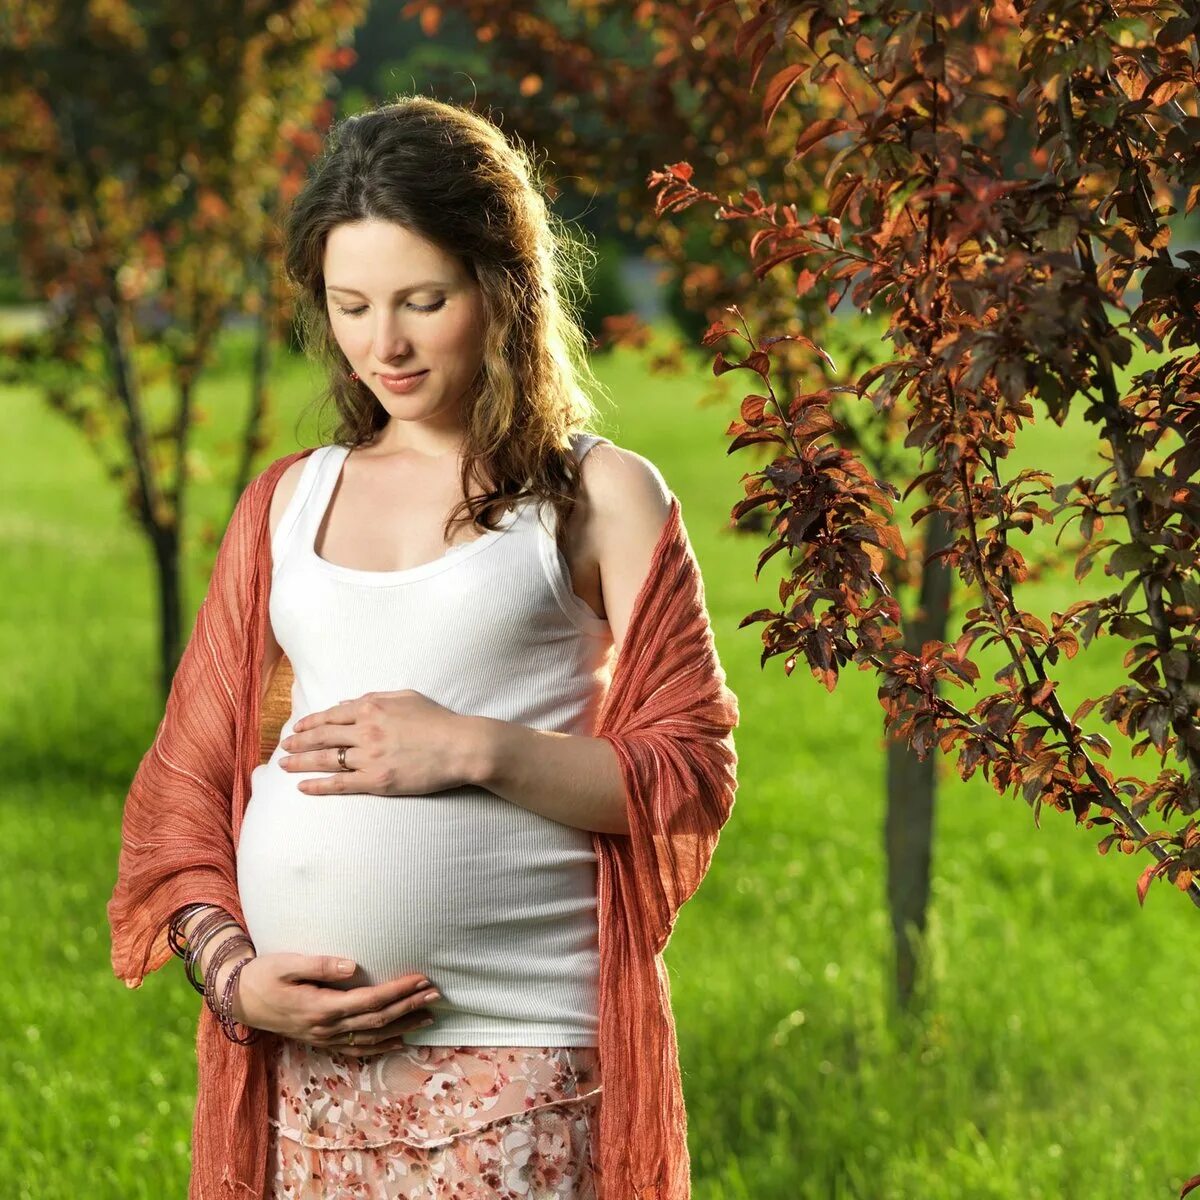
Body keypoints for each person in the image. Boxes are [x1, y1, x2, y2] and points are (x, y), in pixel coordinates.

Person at [157, 94, 710, 1198]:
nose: (384, 344)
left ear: (505, 289)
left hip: (523, 1063)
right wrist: (237, 980)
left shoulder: (597, 496)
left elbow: (689, 773)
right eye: (350, 305)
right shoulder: (285, 504)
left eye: (423, 300)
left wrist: (469, 749)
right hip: (308, 1075)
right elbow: (185, 794)